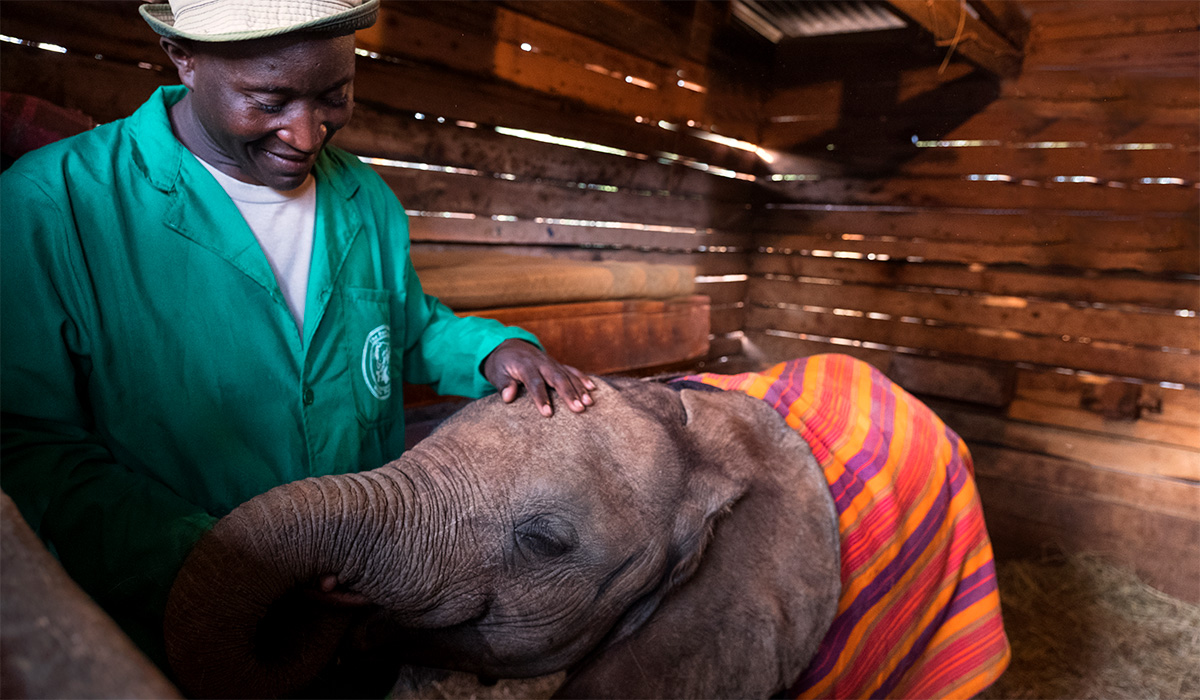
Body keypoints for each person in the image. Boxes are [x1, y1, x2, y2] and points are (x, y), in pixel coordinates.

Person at [0, 0, 593, 671]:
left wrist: (491, 350)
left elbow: (406, 327)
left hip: (358, 611)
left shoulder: (364, 198)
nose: (307, 135)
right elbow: (28, 446)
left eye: (334, 96)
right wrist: (238, 559)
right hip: (171, 633)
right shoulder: (55, 204)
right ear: (184, 58)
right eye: (269, 100)